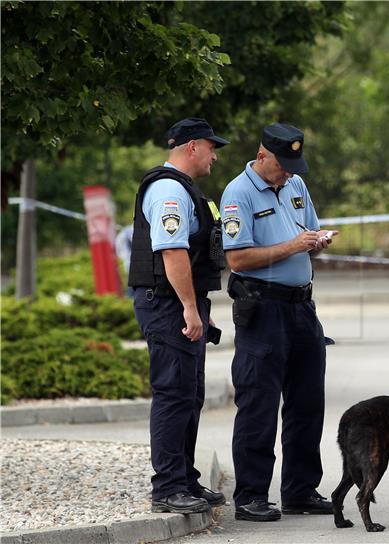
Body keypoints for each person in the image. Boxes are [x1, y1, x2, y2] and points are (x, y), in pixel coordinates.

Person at [220, 123, 337, 522]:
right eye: (283, 165)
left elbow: (307, 231)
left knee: (307, 402)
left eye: (293, 165)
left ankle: (300, 490)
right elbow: (237, 259)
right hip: (263, 309)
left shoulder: (296, 185)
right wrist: (293, 246)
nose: (289, 172)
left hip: (302, 307)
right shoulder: (238, 193)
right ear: (262, 156)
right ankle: (252, 495)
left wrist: (317, 241)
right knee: (259, 403)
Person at [128, 117, 229, 514]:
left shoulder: (186, 189)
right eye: (211, 147)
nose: (215, 156)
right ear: (191, 147)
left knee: (190, 394)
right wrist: (189, 308)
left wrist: (200, 307)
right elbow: (172, 252)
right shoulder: (169, 190)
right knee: (174, 394)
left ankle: (184, 478)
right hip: (167, 303)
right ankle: (168, 488)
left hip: (179, 302)